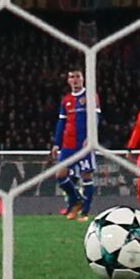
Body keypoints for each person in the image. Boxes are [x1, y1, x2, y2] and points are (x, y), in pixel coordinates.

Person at [50, 67, 100, 220]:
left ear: (83, 79)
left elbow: (96, 118)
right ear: (68, 80)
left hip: (84, 143)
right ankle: (77, 200)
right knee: (60, 174)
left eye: (78, 76)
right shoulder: (66, 100)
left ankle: (84, 213)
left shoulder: (91, 96)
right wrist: (57, 143)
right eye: (72, 77)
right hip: (68, 144)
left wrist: (90, 137)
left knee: (86, 175)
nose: (75, 79)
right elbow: (61, 122)